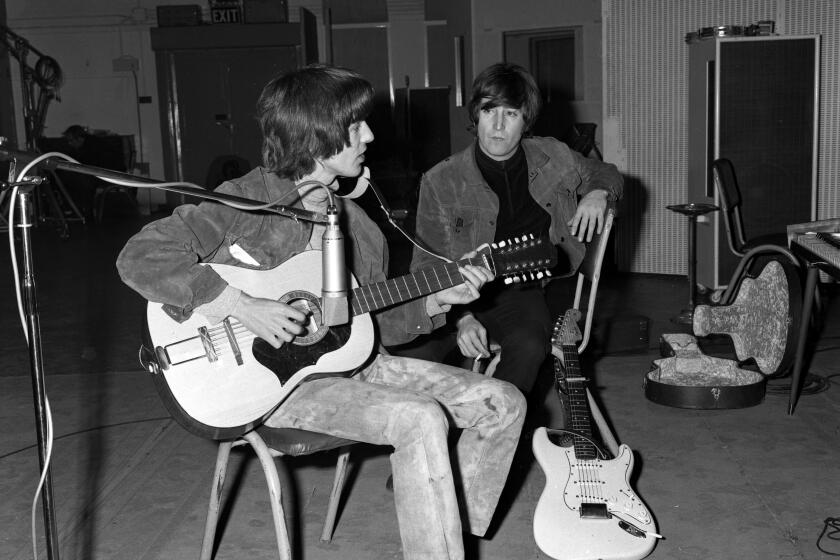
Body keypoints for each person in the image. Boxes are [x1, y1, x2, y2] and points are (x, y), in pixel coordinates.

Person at [116, 64, 526, 560]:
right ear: (317, 134)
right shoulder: (243, 202)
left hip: (357, 365)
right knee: (418, 418)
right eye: (356, 126)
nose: (370, 136)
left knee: (504, 402)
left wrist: (439, 298)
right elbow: (139, 256)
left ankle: (450, 536)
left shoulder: (360, 226)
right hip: (277, 385)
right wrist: (241, 305)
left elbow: (375, 325)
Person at [406, 62, 623, 400]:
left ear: (526, 121)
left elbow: (605, 172)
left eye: (511, 114)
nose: (497, 125)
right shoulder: (441, 180)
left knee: (528, 344)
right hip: (453, 293)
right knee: (410, 356)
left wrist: (599, 192)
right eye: (489, 110)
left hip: (521, 291)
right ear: (476, 114)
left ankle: (498, 428)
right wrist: (463, 317)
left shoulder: (553, 156)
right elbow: (425, 264)